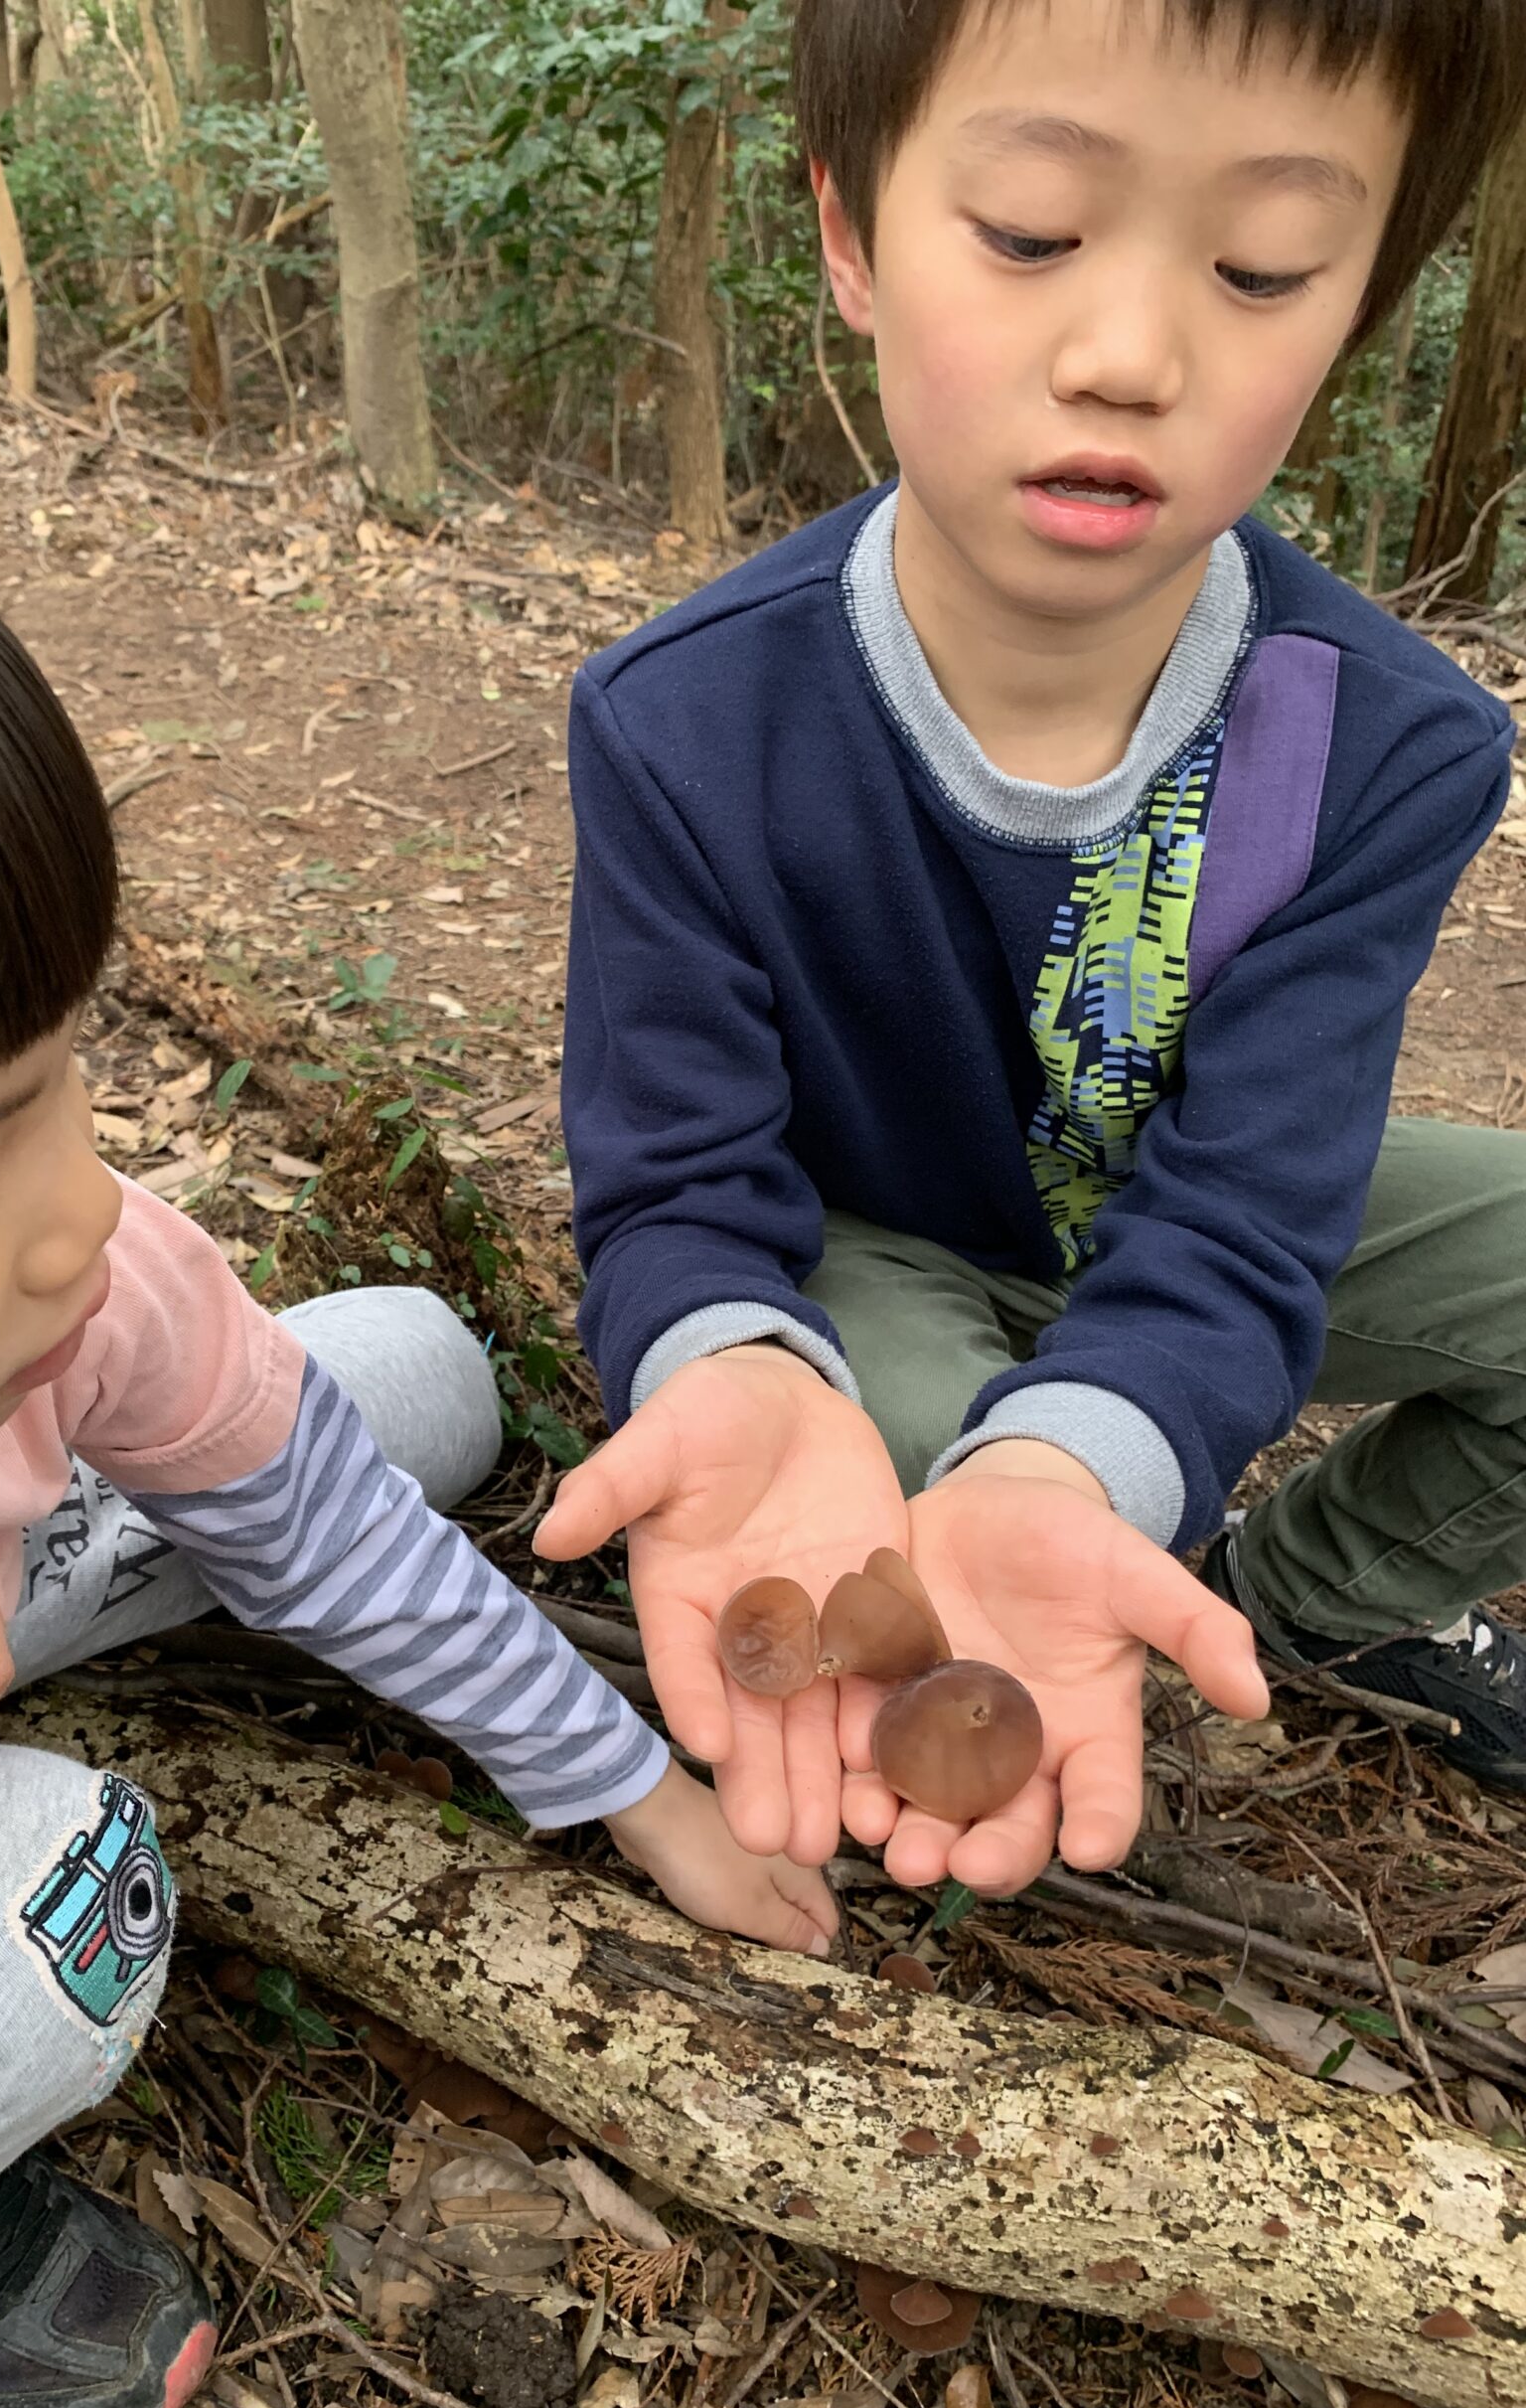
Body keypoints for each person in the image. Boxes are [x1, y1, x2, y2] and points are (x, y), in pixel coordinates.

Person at [0, 385, 837, 2408]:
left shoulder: (68, 1288)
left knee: (406, 1382)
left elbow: (331, 1520)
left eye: (62, 1080)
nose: (84, 1215)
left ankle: (43, 1578)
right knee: (52, 1909)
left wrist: (629, 1784)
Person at [542, 0, 1526, 1893]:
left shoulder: (1386, 749)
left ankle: (1301, 1601)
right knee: (912, 1510)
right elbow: (677, 1184)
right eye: (1029, 233)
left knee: (1071, 1483)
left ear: (1362, 301)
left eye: (1263, 266)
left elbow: (1249, 1209)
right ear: (851, 235)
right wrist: (731, 1362)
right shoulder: (685, 726)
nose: (1128, 355)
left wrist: (1091, 1446)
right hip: (881, 1240)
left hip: (1167, 1190)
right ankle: (1059, 1544)